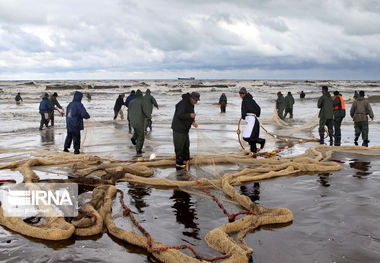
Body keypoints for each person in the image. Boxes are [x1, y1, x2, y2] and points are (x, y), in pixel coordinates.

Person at [171, 91, 199, 168]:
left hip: (185, 129)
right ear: (191, 98)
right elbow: (180, 115)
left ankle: (186, 159)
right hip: (178, 128)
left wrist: (193, 122)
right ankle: (179, 163)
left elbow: (191, 115)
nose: (196, 102)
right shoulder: (183, 103)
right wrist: (190, 115)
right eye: (196, 100)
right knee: (179, 146)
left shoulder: (191, 104)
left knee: (186, 145)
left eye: (197, 100)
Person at [239, 87, 265, 153]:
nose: (240, 95)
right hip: (254, 120)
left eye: (241, 94)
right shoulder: (252, 100)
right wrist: (257, 115)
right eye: (240, 94)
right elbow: (258, 108)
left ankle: (261, 141)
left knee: (246, 137)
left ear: (244, 94)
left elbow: (243, 110)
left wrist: (243, 116)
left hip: (251, 120)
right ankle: (253, 150)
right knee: (252, 137)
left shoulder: (244, 101)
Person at [128, 90, 150, 156]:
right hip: (139, 121)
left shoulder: (131, 102)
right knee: (141, 136)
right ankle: (138, 150)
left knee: (137, 131)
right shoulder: (142, 101)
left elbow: (128, 111)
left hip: (132, 121)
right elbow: (146, 111)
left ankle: (133, 138)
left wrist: (129, 119)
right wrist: (149, 116)